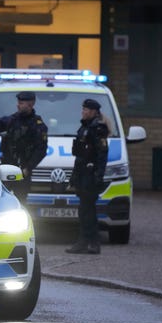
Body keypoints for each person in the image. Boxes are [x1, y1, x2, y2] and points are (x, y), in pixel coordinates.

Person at [0, 91, 48, 204]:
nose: (18, 105)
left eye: (21, 103)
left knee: (20, 203)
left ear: (30, 104)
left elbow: (41, 150)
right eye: (18, 102)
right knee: (1, 201)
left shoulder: (37, 125)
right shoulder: (13, 119)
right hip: (6, 167)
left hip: (22, 170)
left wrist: (28, 168)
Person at [66, 98, 109, 255]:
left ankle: (91, 242)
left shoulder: (97, 129)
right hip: (82, 174)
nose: (83, 112)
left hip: (91, 175)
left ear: (93, 112)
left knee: (88, 211)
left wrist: (98, 176)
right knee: (84, 210)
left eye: (85, 110)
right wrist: (73, 177)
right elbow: (79, 156)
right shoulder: (85, 127)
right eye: (83, 109)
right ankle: (85, 242)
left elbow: (102, 154)